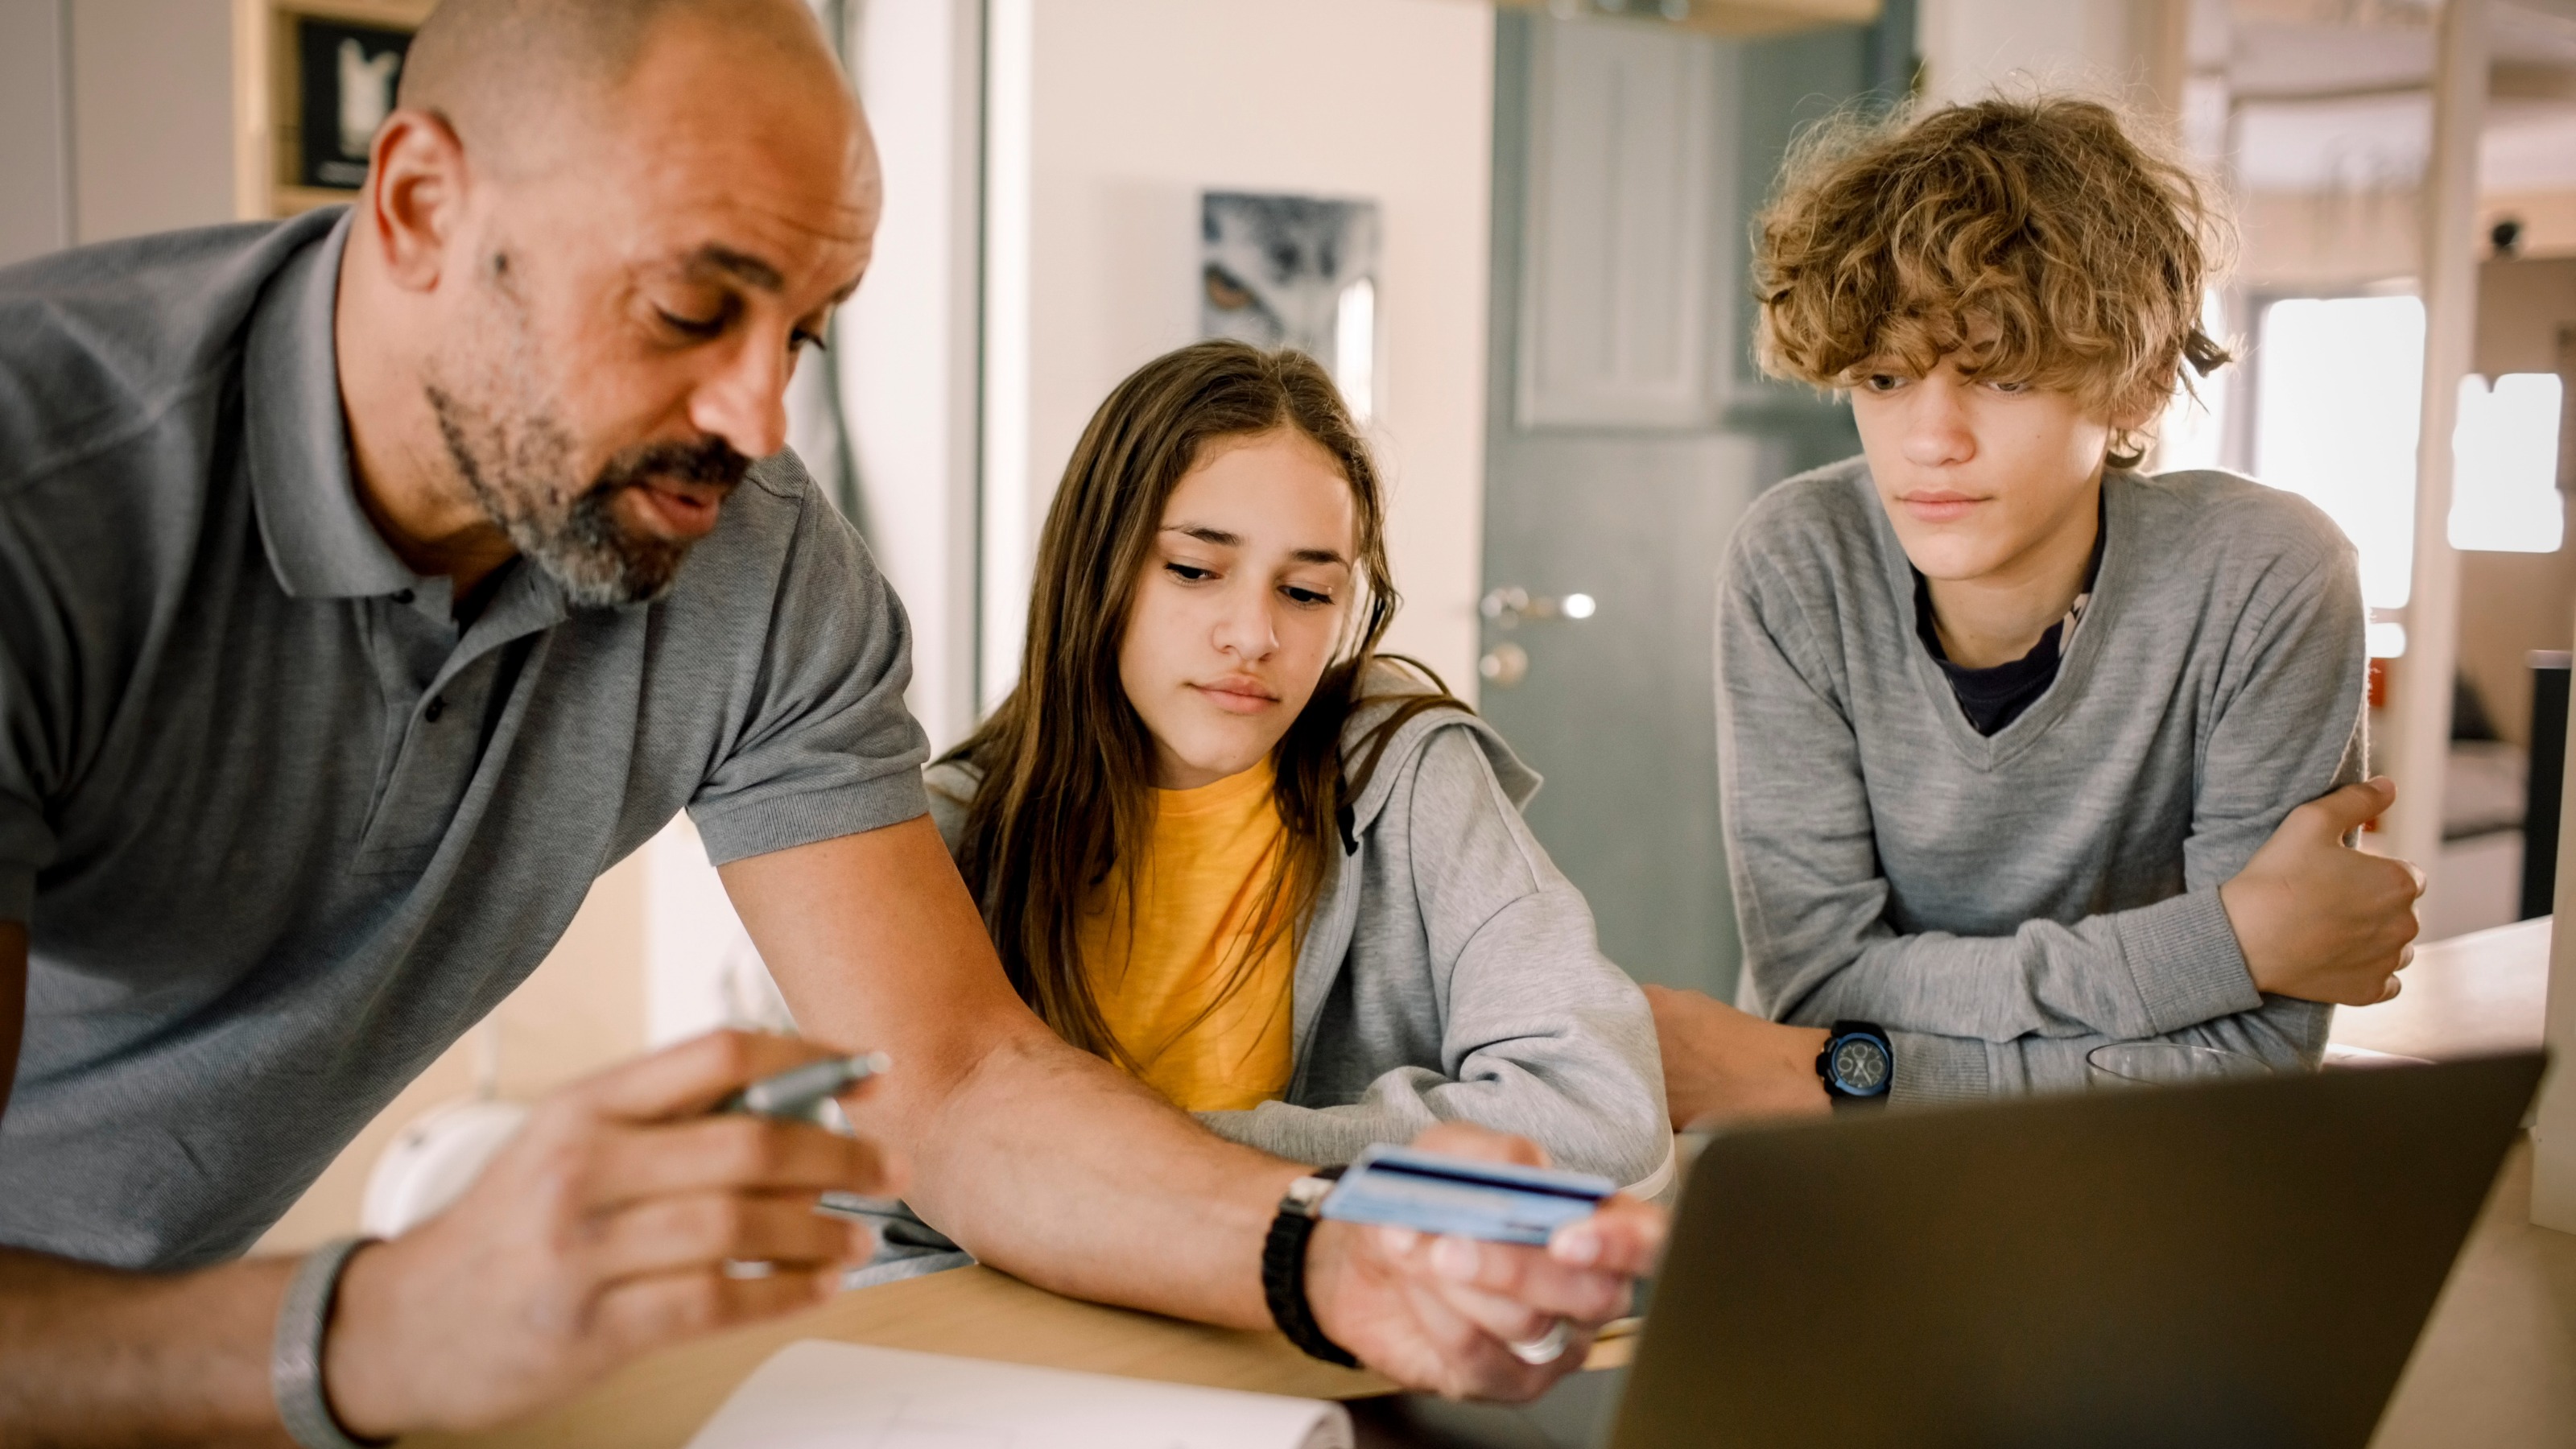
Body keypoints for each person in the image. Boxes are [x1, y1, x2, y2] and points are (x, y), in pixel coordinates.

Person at [0, 2, 1658, 1439]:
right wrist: (380, 1322)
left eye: (804, 326)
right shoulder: (45, 503)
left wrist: (1323, 1250)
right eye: (688, 309)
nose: (759, 416)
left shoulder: (758, 561)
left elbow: (949, 1086)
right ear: (424, 201)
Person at [1650, 95, 2425, 1119]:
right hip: (1837, 1164)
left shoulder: (2266, 577)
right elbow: (1816, 987)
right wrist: (2227, 943)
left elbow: (2249, 1057)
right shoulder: (1800, 560)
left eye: (2001, 376)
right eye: (1883, 377)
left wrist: (1826, 1078)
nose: (1928, 439)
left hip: (2108, 1173)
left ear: (2137, 388)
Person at [921, 341, 1669, 1202]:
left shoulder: (1404, 769)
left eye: (1306, 593)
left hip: (1314, 1318)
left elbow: (1602, 1119)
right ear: (1094, 569)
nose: (1253, 636)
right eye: (1195, 571)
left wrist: (1141, 1166)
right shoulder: (947, 834)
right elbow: (879, 1193)